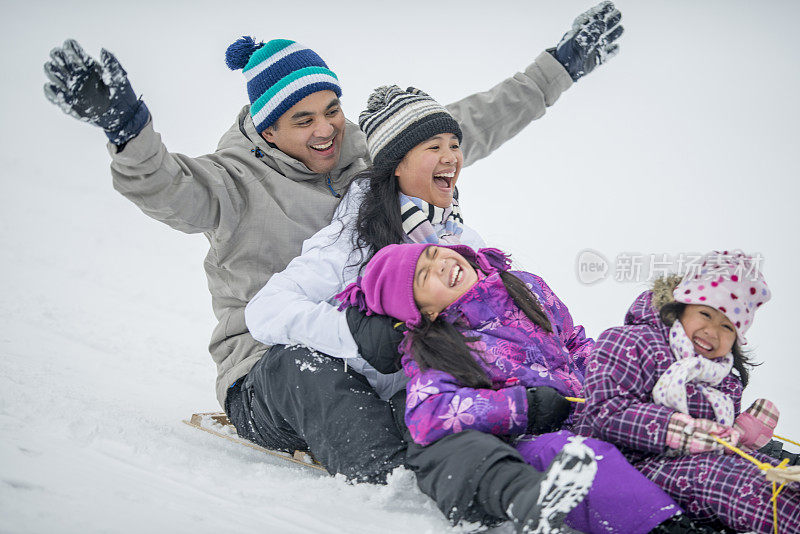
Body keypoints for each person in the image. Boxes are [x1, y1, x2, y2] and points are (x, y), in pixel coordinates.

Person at [43, 1, 624, 528]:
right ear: (267, 127)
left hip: (384, 351)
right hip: (268, 364)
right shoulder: (231, 183)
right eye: (303, 120)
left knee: (439, 386)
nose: (325, 129)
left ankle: (499, 468)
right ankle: (404, 494)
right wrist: (128, 132)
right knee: (309, 371)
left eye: (332, 111)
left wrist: (561, 66)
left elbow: (463, 126)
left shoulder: (365, 151)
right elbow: (168, 186)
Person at [331, 241, 725, 533]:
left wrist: (609, 384)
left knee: (660, 438)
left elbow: (573, 342)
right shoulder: (438, 345)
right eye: (424, 276)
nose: (442, 265)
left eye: (435, 255)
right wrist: (524, 406)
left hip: (591, 410)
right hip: (535, 437)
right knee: (582, 456)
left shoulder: (522, 286)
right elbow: (429, 412)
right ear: (423, 310)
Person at [574, 251, 800, 533]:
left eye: (727, 326)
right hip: (620, 465)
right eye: (705, 314)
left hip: (685, 469)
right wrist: (682, 432)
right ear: (680, 308)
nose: (712, 332)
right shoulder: (629, 342)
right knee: (728, 480)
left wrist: (737, 436)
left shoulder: (724, 380)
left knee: (773, 474)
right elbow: (606, 412)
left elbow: (714, 446)